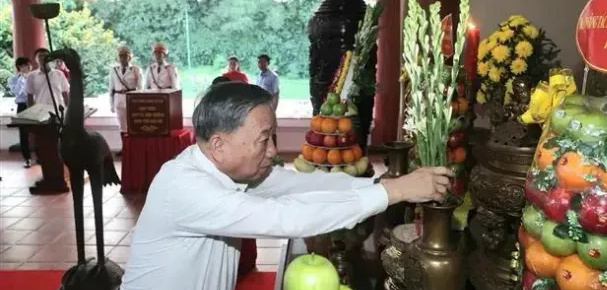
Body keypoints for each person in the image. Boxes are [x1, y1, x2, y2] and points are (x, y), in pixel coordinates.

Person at [120, 82, 452, 290]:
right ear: (219, 146)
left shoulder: (229, 171)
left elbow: (299, 186)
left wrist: (380, 184)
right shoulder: (185, 186)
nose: (274, 151)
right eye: (264, 140)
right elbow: (286, 218)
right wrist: (395, 192)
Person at [109, 46, 142, 136]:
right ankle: (124, 146)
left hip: (131, 99)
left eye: (125, 56)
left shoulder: (135, 70)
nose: (122, 59)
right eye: (121, 56)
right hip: (118, 99)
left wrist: (139, 102)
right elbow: (111, 88)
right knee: (122, 127)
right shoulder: (114, 70)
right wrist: (111, 104)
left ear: (129, 57)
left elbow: (139, 88)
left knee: (132, 125)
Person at [8, 57, 33, 168]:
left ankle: (42, 157)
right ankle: (27, 158)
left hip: (35, 104)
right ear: (19, 67)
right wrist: (23, 79)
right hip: (22, 106)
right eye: (23, 66)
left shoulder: (35, 76)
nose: (26, 68)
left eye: (28, 65)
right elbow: (18, 92)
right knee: (23, 133)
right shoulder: (13, 79)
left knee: (42, 131)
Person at [255, 54, 280, 145]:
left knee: (271, 132)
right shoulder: (259, 76)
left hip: (269, 107)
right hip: (259, 108)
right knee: (261, 132)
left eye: (263, 62)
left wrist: (273, 110)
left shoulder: (273, 77)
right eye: (259, 62)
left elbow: (276, 94)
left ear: (268, 63)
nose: (260, 64)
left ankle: (274, 155)